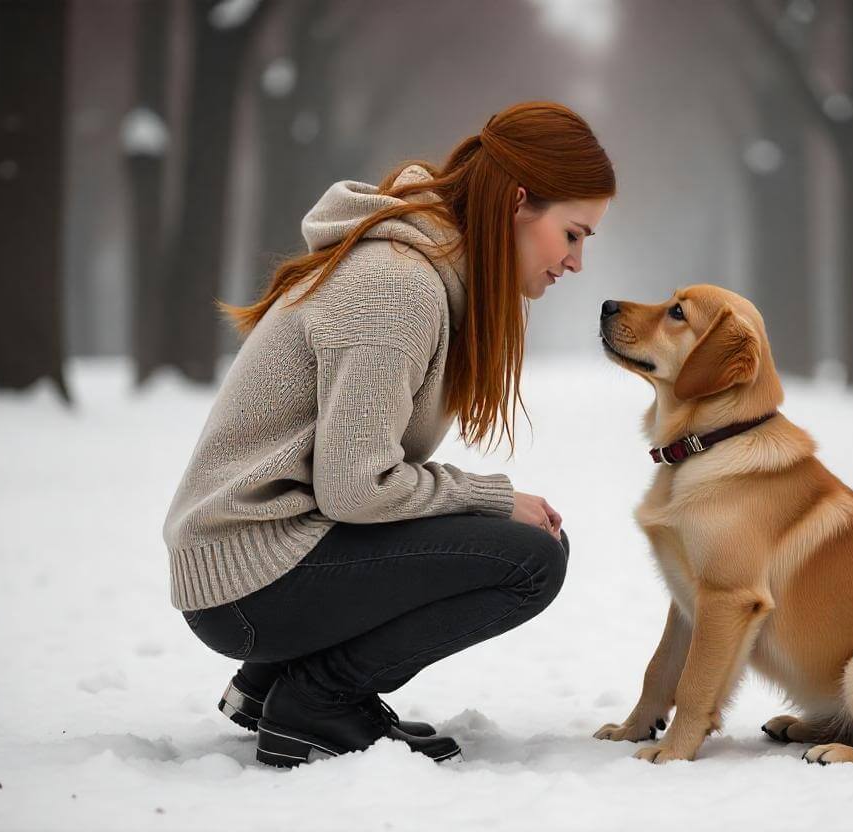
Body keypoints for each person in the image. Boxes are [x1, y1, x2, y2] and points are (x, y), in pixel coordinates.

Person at [163, 101, 615, 766]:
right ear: (520, 203)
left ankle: (271, 687)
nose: (576, 262)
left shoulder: (424, 272)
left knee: (527, 540)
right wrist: (489, 497)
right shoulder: (396, 287)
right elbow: (355, 487)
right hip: (248, 579)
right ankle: (317, 700)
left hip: (268, 558)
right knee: (530, 559)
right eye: (573, 234)